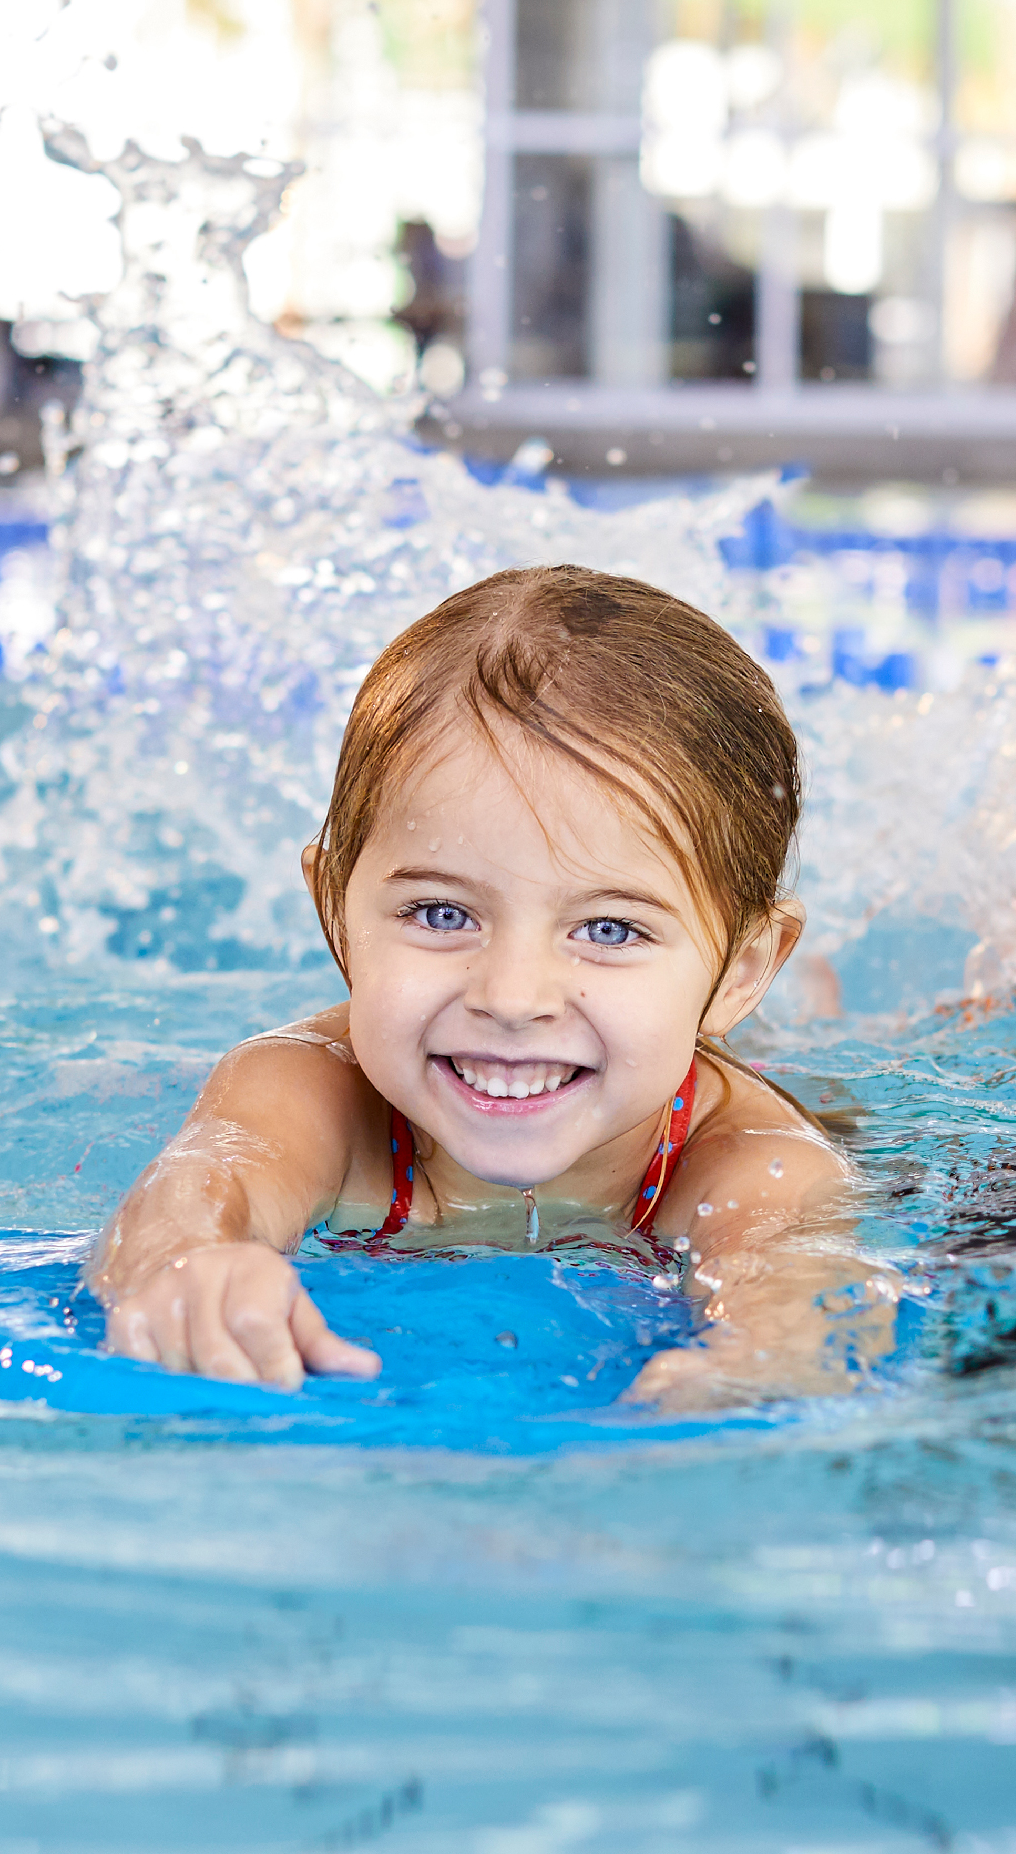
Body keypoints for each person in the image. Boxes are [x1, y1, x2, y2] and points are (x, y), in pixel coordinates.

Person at [88, 566, 888, 1410]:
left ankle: (809, 1015)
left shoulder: (752, 1165)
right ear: (335, 914)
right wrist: (189, 1263)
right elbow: (201, 1187)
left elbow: (799, 1311)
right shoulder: (307, 1088)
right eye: (440, 913)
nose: (512, 997)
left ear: (741, 972)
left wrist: (752, 1362)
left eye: (609, 930)